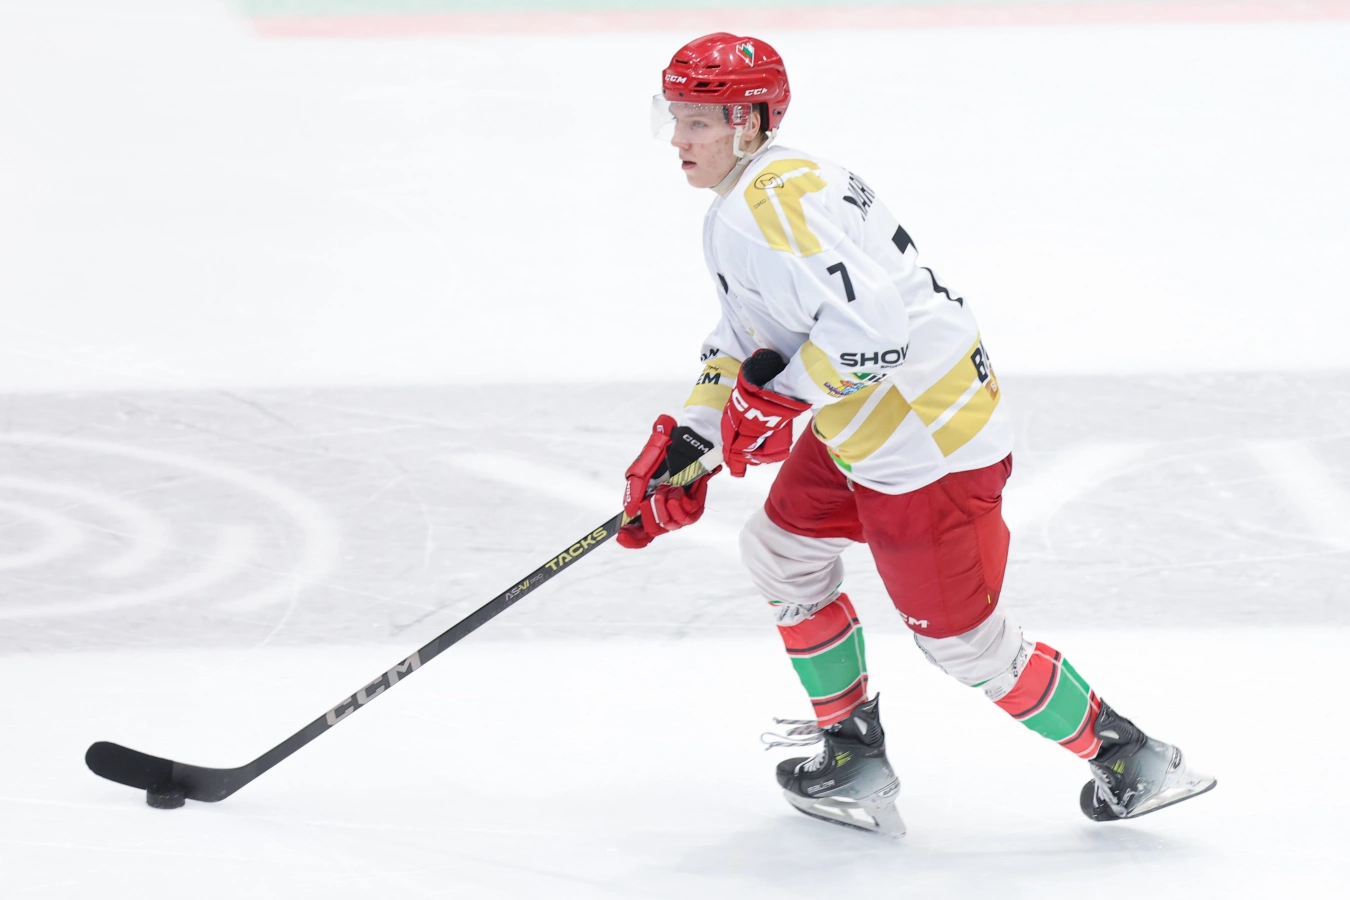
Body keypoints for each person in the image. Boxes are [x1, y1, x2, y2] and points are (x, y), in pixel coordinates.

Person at [618, 33, 1215, 837]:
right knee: (781, 551)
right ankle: (853, 757)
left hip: (929, 444)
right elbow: (749, 334)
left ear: (748, 121)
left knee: (968, 647)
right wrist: (693, 440)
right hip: (872, 421)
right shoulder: (757, 193)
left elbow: (873, 337)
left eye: (696, 121)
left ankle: (1133, 760)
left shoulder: (767, 207)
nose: (677, 139)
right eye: (675, 116)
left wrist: (776, 403)